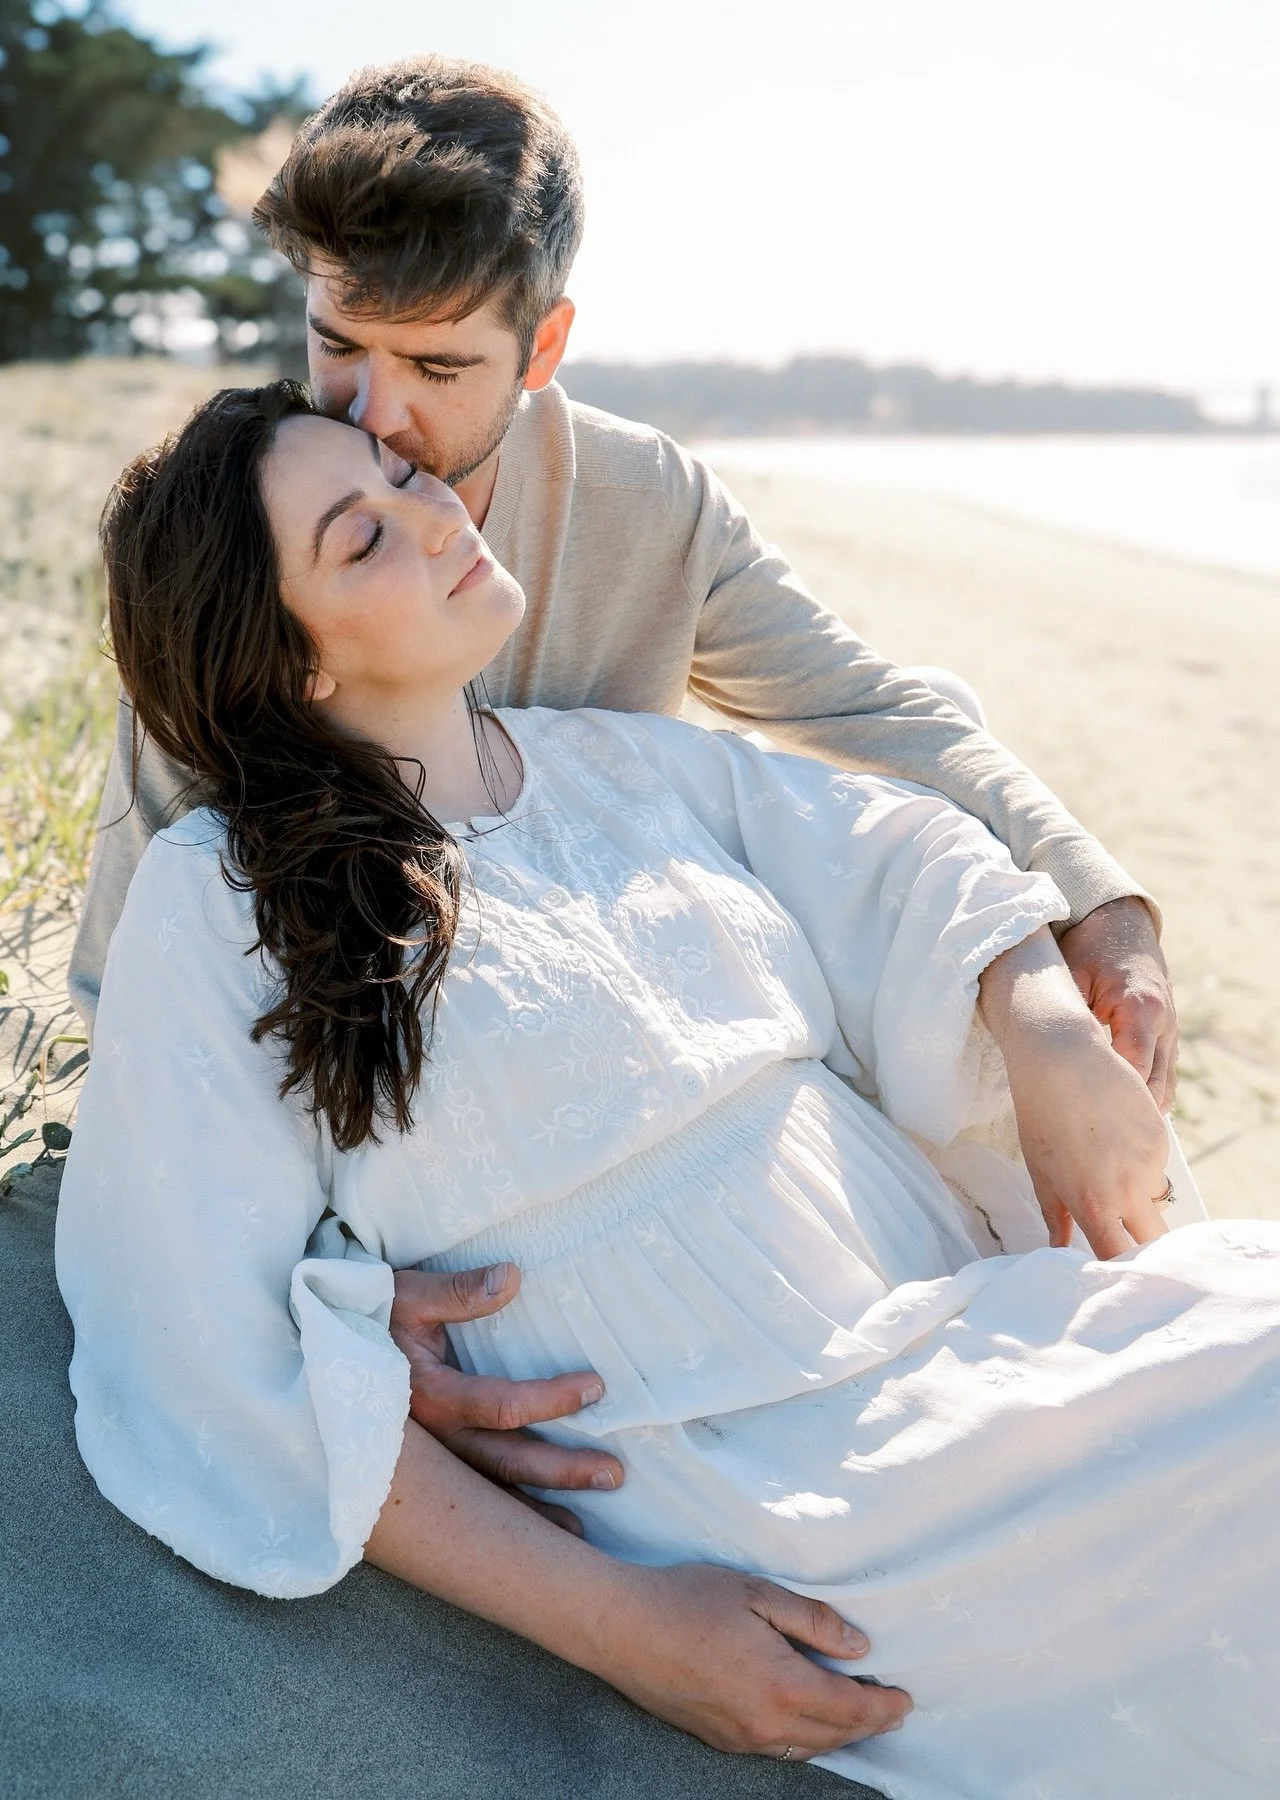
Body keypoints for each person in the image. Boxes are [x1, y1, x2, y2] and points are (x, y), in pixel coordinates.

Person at [57, 383, 1279, 1797]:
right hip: (774, 1483)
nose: (435, 512)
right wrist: (625, 1629)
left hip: (967, 1329)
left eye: (406, 474)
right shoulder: (218, 899)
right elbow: (198, 1343)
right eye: (361, 537)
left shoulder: (617, 761)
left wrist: (1045, 1022)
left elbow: (902, 855)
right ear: (293, 668)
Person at [69, 55, 1179, 1508]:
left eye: (440, 367)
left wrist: (1096, 911)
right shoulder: (272, 556)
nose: (377, 417)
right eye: (342, 341)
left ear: (545, 347)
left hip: (708, 1094)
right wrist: (329, 1307)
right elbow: (136, 1013)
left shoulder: (647, 505)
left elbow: (874, 714)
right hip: (476, 1199)